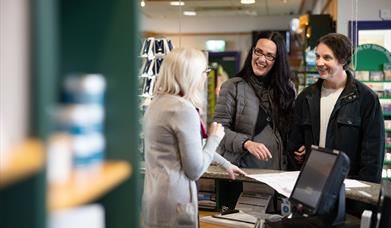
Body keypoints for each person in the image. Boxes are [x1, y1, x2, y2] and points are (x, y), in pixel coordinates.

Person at [142, 48, 246, 228]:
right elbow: (195, 169)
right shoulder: (183, 109)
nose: (205, 77)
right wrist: (215, 138)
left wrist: (226, 164)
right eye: (204, 72)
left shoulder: (157, 103)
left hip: (155, 197)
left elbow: (193, 148)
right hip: (176, 202)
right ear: (189, 75)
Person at [288, 33, 385, 183]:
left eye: (327, 58)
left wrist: (363, 195)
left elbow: (373, 156)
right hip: (311, 184)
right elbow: (294, 145)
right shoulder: (306, 97)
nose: (319, 63)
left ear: (343, 60)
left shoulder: (366, 99)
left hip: (347, 187)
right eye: (317, 56)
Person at [214, 31, 296, 170]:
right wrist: (246, 143)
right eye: (258, 52)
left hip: (278, 173)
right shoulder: (232, 87)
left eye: (269, 56)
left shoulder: (287, 89)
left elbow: (291, 130)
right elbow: (218, 131)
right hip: (240, 171)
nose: (261, 59)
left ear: (278, 61)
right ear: (252, 52)